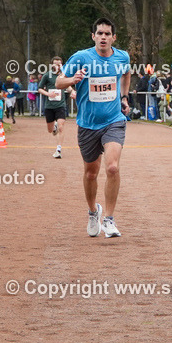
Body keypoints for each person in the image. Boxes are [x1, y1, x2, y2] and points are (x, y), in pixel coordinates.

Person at [58, 18, 132, 238]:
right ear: (93, 36)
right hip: (88, 124)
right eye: (99, 33)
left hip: (113, 120)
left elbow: (127, 73)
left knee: (112, 168)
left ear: (113, 37)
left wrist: (124, 96)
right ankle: (93, 212)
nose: (103, 37)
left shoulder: (122, 57)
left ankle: (109, 219)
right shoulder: (81, 58)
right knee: (91, 174)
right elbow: (58, 82)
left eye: (107, 34)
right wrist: (73, 79)